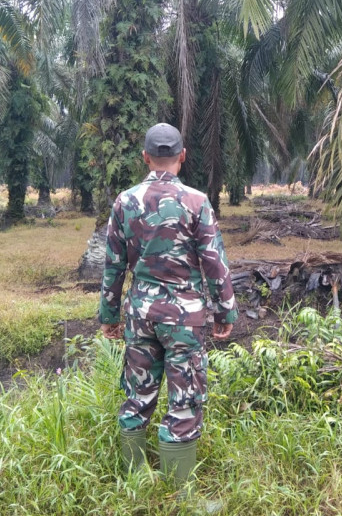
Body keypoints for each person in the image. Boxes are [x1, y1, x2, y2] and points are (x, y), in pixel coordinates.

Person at [98, 122, 237, 490]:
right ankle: (180, 494)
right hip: (184, 319)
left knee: (137, 393)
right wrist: (225, 313)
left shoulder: (125, 202)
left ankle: (136, 484)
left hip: (140, 313)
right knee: (185, 398)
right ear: (183, 157)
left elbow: (112, 265)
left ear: (145, 157)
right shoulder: (196, 202)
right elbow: (215, 264)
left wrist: (109, 316)